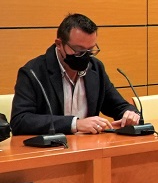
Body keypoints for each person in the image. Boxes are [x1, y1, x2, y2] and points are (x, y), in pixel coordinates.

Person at [10, 13, 140, 135]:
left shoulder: (95, 68)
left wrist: (130, 114)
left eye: (90, 50)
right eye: (78, 50)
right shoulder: (33, 72)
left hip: (89, 146)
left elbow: (119, 106)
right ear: (59, 44)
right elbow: (20, 120)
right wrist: (75, 124)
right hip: (51, 148)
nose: (85, 56)